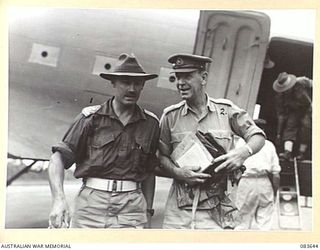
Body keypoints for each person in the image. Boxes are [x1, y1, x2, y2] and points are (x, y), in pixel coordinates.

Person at [48, 53, 159, 229]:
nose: (132, 88)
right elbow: (58, 158)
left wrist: (148, 212)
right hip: (91, 205)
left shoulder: (151, 124)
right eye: (125, 81)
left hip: (131, 208)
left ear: (143, 85)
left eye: (137, 83)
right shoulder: (90, 118)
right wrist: (58, 200)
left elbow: (149, 172)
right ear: (113, 83)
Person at [158, 53, 266, 229]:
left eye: (187, 76)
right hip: (179, 214)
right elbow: (161, 156)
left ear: (203, 77)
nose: (180, 82)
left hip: (217, 212)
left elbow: (258, 136)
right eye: (177, 76)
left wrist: (242, 153)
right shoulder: (170, 116)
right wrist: (178, 173)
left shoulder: (226, 111)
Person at [235, 119, 281, 230]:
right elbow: (276, 174)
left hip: (246, 180)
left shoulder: (241, 143)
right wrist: (274, 191)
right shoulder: (269, 145)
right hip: (264, 182)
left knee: (241, 221)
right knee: (265, 222)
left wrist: (238, 183)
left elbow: (235, 168)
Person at [273, 72, 312, 161]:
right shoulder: (280, 97)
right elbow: (281, 115)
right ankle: (287, 152)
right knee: (290, 126)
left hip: (308, 107)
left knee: (306, 126)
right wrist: (278, 134)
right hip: (294, 110)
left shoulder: (302, 82)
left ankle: (302, 153)